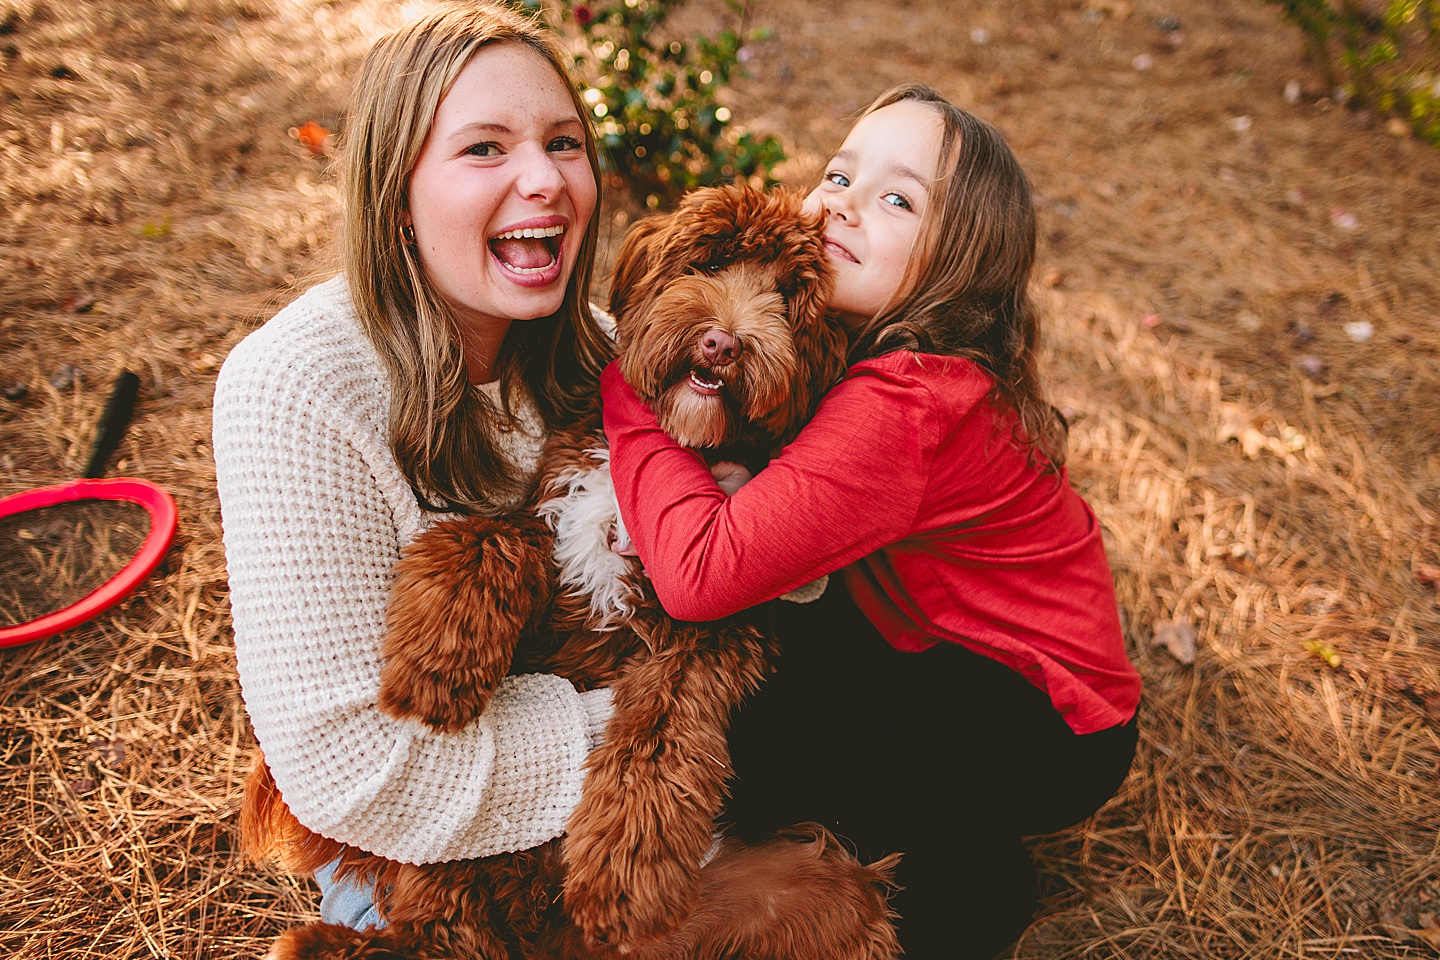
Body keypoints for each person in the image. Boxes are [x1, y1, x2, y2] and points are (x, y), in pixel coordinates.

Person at [600, 82, 1144, 960]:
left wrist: (629, 387)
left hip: (1042, 714)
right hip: (937, 643)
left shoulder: (908, 401)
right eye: (839, 173)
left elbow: (699, 573)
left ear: (956, 263)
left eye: (896, 199)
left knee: (765, 729)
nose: (842, 204)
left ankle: (961, 894)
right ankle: (926, 833)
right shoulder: (874, 351)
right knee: (773, 680)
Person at [211, 2, 615, 930]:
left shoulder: (603, 352)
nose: (544, 179)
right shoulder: (296, 387)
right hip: (417, 859)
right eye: (484, 148)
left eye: (563, 142)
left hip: (635, 810)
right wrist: (659, 732)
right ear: (397, 192)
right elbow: (355, 767)